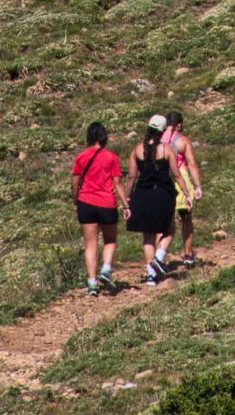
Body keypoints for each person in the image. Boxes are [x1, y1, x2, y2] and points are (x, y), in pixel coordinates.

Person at [71, 121, 127, 295]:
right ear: (104, 137)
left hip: (86, 202)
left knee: (90, 244)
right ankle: (106, 269)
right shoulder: (111, 157)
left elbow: (75, 183)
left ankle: (92, 283)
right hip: (106, 203)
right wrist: (125, 203)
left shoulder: (81, 157)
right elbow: (117, 182)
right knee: (110, 240)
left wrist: (75, 201)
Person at [125, 114, 178, 284]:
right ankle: (159, 256)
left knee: (148, 237)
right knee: (169, 229)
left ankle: (151, 276)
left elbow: (132, 177)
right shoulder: (166, 149)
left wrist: (126, 197)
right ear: (162, 131)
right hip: (163, 194)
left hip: (142, 194)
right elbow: (176, 175)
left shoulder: (137, 149)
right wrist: (186, 192)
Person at [160, 110, 204, 267]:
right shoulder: (183, 140)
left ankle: (159, 257)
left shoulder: (157, 138)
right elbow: (192, 163)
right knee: (186, 217)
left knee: (164, 220)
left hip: (162, 179)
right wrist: (198, 185)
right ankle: (188, 254)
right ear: (179, 124)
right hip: (181, 177)